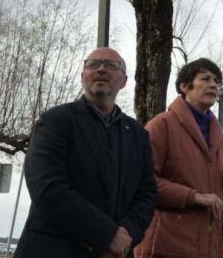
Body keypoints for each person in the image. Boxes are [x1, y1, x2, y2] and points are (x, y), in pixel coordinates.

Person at [16, 47, 157, 257]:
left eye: (111, 65)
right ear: (83, 76)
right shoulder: (56, 121)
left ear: (124, 81)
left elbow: (146, 194)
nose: (101, 69)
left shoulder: (138, 134)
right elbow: (48, 189)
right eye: (93, 64)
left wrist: (125, 236)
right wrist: (108, 236)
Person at [134, 58, 223, 257]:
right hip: (169, 242)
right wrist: (193, 196)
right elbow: (142, 182)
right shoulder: (161, 125)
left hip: (211, 245)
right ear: (184, 86)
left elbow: (216, 199)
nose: (213, 85)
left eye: (216, 81)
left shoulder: (221, 138)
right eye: (205, 78)